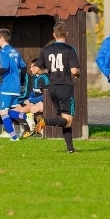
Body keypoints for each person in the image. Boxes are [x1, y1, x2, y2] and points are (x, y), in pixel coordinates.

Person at [34, 22, 81, 152]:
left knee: (63, 118)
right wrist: (79, 74)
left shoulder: (46, 50)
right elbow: (74, 71)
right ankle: (45, 121)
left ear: (54, 34)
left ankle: (70, 149)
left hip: (52, 88)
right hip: (65, 86)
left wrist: (47, 71)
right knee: (68, 121)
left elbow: (36, 70)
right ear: (66, 34)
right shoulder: (70, 49)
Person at [0, 28, 26, 141]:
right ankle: (25, 117)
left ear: (2, 39)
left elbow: (4, 67)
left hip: (8, 85)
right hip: (16, 86)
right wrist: (22, 82)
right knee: (10, 112)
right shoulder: (15, 52)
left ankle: (14, 137)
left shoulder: (2, 52)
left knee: (3, 112)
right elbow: (23, 67)